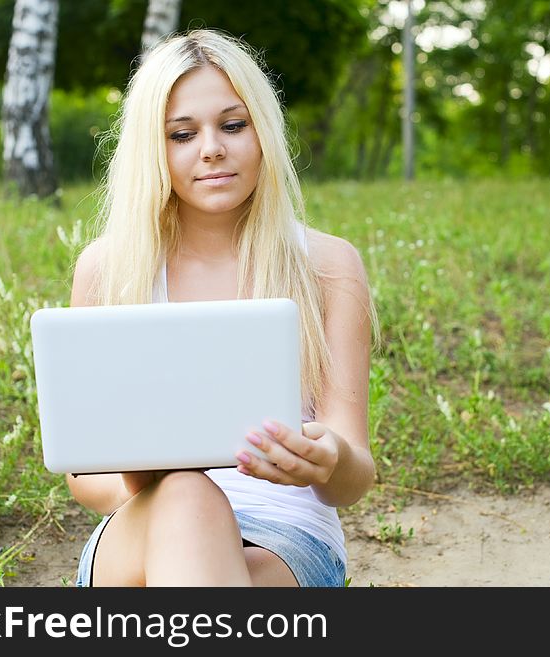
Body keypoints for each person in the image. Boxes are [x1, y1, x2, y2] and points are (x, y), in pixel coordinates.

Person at [66, 29, 376, 587]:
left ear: (264, 132)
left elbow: (353, 476)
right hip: (142, 527)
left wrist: (327, 458)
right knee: (186, 492)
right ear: (152, 149)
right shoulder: (107, 269)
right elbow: (87, 477)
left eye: (233, 125)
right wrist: (138, 477)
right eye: (182, 134)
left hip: (285, 538)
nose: (211, 148)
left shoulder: (329, 266)